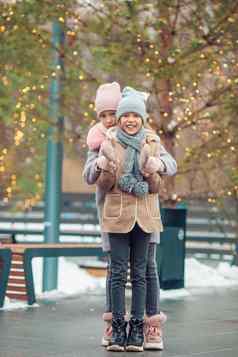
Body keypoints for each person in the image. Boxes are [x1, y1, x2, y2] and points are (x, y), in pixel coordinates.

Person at [83, 85, 177, 351]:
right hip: (112, 213)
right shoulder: (103, 140)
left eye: (115, 112)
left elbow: (169, 164)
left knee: (145, 269)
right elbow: (90, 175)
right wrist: (102, 165)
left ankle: (148, 325)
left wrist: (157, 166)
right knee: (117, 269)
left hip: (144, 213)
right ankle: (115, 324)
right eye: (106, 115)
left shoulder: (150, 138)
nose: (111, 119)